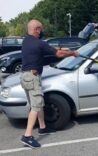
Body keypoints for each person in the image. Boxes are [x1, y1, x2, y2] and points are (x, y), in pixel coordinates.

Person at [20, 19, 79, 148]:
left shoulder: (26, 41)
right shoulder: (39, 43)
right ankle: (27, 136)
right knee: (36, 106)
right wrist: (72, 53)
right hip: (32, 77)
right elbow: (58, 54)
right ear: (37, 30)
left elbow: (46, 53)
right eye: (40, 28)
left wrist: (60, 50)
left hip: (25, 76)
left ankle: (43, 127)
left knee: (37, 103)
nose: (42, 31)